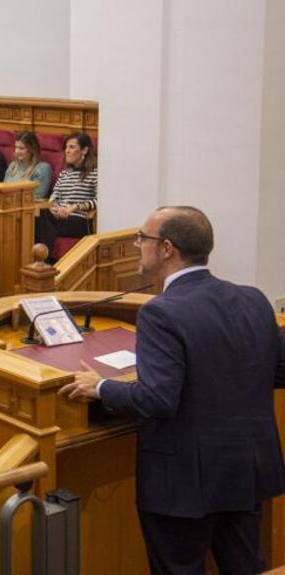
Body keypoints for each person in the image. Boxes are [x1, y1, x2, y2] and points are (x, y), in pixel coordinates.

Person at [60, 207, 285, 574]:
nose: (136, 245)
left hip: (184, 485)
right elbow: (278, 371)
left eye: (142, 239)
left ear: (166, 248)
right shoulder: (253, 299)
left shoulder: (162, 312)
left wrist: (99, 387)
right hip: (246, 472)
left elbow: (158, 399)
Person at [35, 133, 98, 255]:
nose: (67, 151)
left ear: (84, 150)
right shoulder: (65, 172)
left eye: (72, 147)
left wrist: (74, 207)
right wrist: (54, 207)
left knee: (41, 220)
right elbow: (54, 195)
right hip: (58, 216)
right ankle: (44, 259)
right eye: (66, 147)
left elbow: (100, 200)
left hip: (79, 219)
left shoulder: (95, 172)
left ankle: (42, 259)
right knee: (37, 216)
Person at [4, 131, 53, 199]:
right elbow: (4, 189)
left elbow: (37, 196)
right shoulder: (13, 166)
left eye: (21, 148)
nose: (17, 151)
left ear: (32, 149)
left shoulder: (42, 168)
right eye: (16, 147)